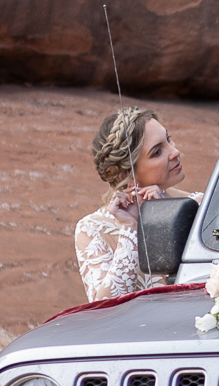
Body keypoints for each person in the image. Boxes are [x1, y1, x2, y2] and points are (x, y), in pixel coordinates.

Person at [74, 107, 186, 302]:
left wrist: (168, 216)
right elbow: (104, 309)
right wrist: (129, 230)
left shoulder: (197, 203)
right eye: (157, 151)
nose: (175, 152)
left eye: (169, 139)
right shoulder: (92, 229)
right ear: (126, 174)